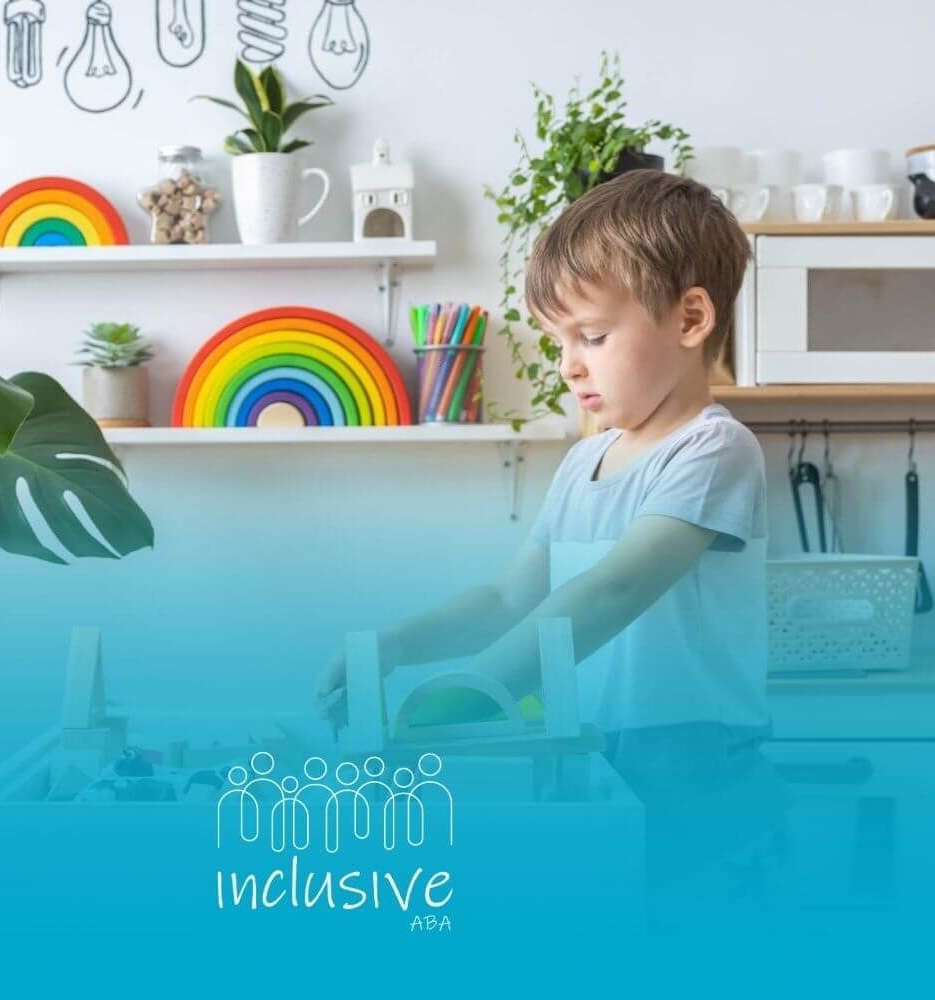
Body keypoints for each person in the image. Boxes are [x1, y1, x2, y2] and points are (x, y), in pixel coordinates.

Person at [314, 170, 787, 909]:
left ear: (691, 319)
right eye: (559, 340)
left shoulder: (713, 451)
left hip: (695, 778)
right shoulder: (583, 462)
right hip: (597, 760)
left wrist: (462, 699)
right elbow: (511, 597)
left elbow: (613, 590)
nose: (569, 364)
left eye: (592, 336)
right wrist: (394, 646)